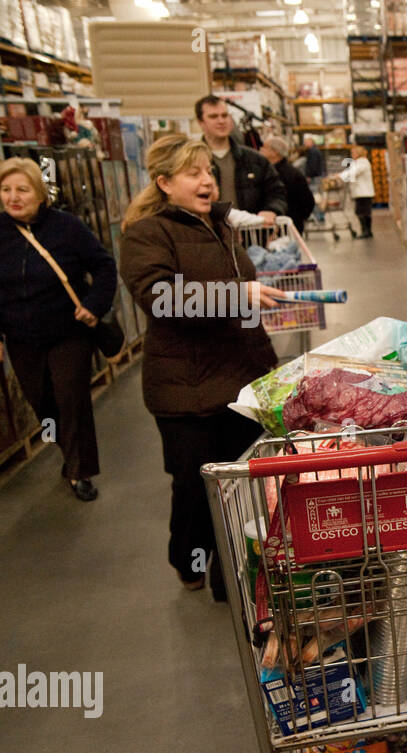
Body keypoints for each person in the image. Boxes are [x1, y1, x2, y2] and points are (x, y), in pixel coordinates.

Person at [118, 133, 283, 597]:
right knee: (195, 487)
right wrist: (237, 294)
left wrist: (255, 296)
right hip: (185, 387)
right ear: (165, 183)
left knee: (240, 484)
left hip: (240, 375)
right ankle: (188, 558)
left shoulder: (219, 224)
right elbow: (161, 298)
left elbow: (237, 287)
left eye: (209, 170)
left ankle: (229, 580)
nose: (207, 180)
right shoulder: (147, 232)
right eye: (194, 173)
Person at [0, 157, 118, 501]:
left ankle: (80, 472)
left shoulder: (66, 227)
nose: (13, 197)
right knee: (43, 404)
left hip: (69, 332)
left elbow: (104, 266)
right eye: (6, 190)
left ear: (40, 194)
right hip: (21, 338)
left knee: (72, 401)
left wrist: (94, 306)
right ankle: (68, 454)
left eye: (22, 189)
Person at [194, 95, 286, 225]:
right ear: (200, 122)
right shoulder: (191, 163)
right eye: (213, 117)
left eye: (225, 115)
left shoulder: (255, 160)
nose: (221, 121)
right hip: (209, 236)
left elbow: (277, 192)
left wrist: (271, 210)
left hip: (251, 235)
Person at [259, 135, 315, 236]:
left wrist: (295, 218)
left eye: (264, 147)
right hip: (290, 226)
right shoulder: (292, 172)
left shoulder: (283, 174)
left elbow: (307, 201)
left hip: (284, 228)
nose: (260, 150)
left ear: (274, 152)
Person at [334, 144, 374, 238]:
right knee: (362, 212)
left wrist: (340, 176)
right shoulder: (358, 162)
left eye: (353, 153)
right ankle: (366, 230)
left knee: (362, 212)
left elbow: (353, 172)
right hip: (361, 192)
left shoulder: (362, 162)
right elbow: (350, 171)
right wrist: (340, 174)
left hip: (364, 192)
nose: (352, 154)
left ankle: (366, 231)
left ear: (358, 153)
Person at [302, 136, 326, 223]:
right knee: (318, 196)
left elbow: (312, 165)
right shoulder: (315, 151)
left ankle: (318, 215)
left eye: (306, 142)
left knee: (315, 197)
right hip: (317, 176)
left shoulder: (312, 152)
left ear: (311, 142)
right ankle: (320, 215)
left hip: (314, 177)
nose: (304, 144)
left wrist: (309, 175)